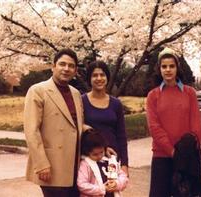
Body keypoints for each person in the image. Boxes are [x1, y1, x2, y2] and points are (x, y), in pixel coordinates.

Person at [24, 48, 84, 197]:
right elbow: (32, 131)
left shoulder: (76, 94)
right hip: (51, 166)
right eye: (62, 64)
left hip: (74, 165)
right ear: (53, 66)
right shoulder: (38, 90)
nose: (66, 69)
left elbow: (75, 125)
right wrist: (41, 164)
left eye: (71, 66)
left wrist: (102, 143)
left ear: (75, 70)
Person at [146, 47, 201, 197]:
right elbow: (154, 128)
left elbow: (196, 126)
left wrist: (186, 153)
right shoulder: (153, 96)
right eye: (164, 66)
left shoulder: (189, 93)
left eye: (171, 66)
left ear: (177, 68)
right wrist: (173, 152)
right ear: (159, 69)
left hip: (188, 157)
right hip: (162, 156)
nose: (168, 70)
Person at [82, 60, 129, 176]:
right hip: (89, 159)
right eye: (95, 75)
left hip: (112, 159)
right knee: (91, 191)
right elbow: (78, 128)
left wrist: (124, 164)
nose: (99, 78)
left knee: (112, 191)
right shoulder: (81, 101)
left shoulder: (116, 103)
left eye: (102, 75)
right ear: (89, 79)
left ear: (107, 77)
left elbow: (121, 136)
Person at [77, 129, 128, 197]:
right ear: (87, 152)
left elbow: (123, 176)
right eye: (95, 154)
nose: (99, 156)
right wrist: (102, 188)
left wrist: (116, 184)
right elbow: (81, 184)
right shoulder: (85, 164)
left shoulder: (110, 161)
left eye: (101, 152)